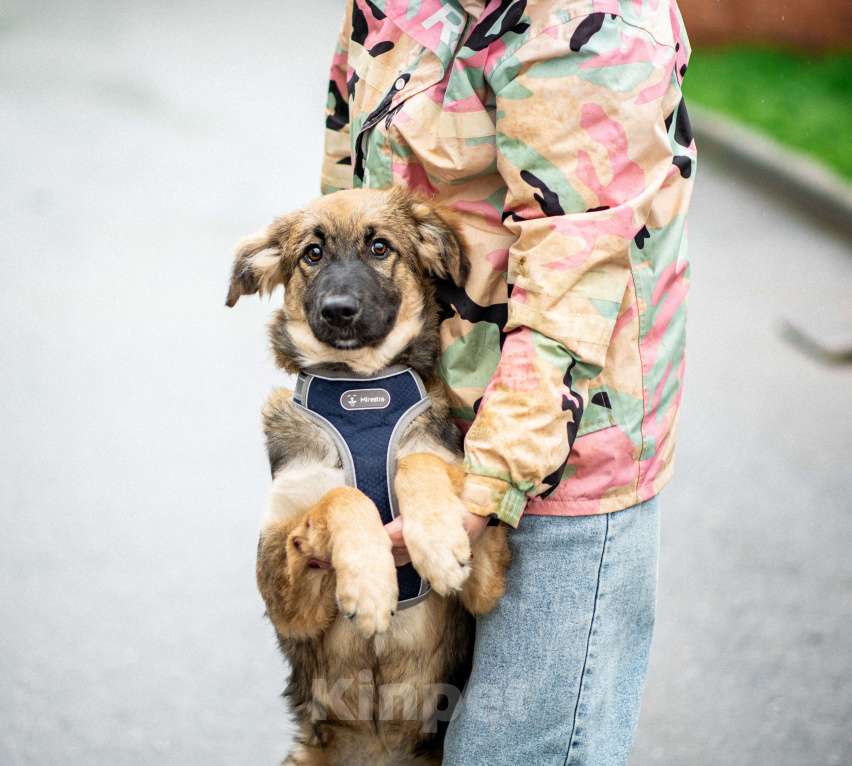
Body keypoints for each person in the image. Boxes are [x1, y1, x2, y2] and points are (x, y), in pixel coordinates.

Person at [320, 1, 695, 764]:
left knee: (508, 749)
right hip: (415, 434)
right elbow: (346, 186)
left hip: (557, 460)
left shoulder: (595, 19)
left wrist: (481, 492)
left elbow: (572, 286)